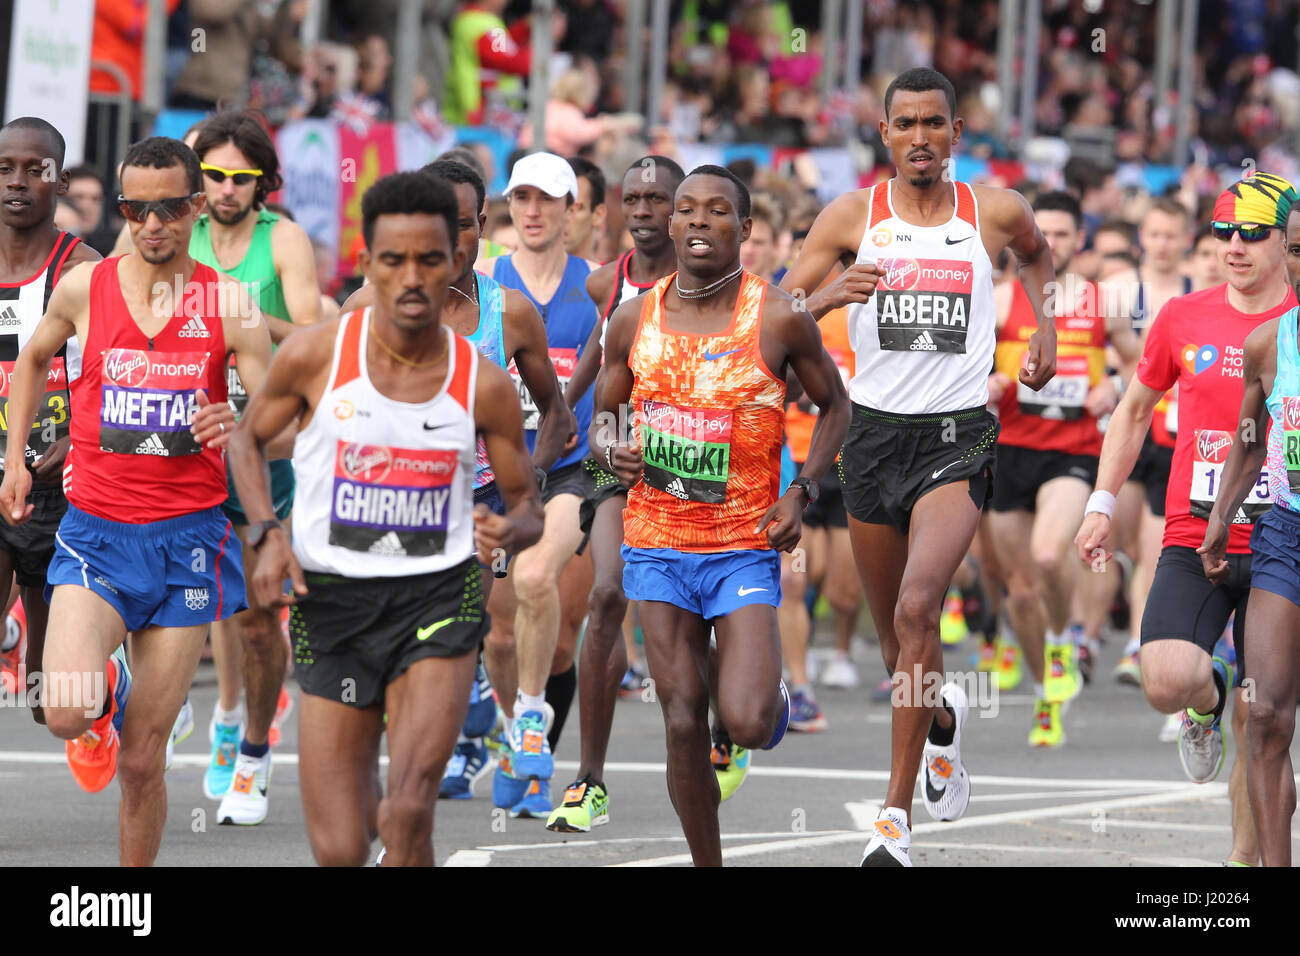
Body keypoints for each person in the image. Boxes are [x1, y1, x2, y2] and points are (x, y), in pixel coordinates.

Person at [780, 67, 1058, 866]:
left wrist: (1041, 325)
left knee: (914, 611)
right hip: (871, 440)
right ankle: (941, 722)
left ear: (956, 134)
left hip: (956, 437)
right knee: (900, 633)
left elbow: (1038, 258)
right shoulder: (850, 216)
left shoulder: (991, 211)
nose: (921, 139)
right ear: (885, 134)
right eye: (905, 124)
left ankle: (892, 819)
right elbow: (774, 314)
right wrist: (831, 298)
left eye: (935, 124)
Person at [228, 170, 544, 866]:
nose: (412, 277)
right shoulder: (317, 356)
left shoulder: (483, 384)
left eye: (430, 260)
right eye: (393, 260)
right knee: (342, 849)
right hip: (332, 601)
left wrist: (513, 530)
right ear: (366, 263)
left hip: (439, 596)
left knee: (405, 811)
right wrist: (266, 533)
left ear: (458, 262)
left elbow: (527, 506)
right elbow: (245, 440)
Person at [0, 136, 266, 866]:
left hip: (188, 540)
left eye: (170, 209)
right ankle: (106, 684)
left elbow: (280, 406)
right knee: (62, 711)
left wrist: (240, 415)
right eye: (136, 209)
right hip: (98, 535)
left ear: (196, 208)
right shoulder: (88, 288)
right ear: (122, 211)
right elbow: (29, 359)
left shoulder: (228, 302)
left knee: (144, 764)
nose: (154, 224)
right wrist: (14, 465)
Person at [594, 164, 850, 866]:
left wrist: (804, 492)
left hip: (741, 544)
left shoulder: (778, 317)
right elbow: (606, 417)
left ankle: (762, 697)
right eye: (687, 211)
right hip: (655, 543)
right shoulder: (630, 319)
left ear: (744, 231)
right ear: (669, 226)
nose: (699, 221)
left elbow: (836, 406)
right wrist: (612, 448)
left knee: (744, 717)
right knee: (681, 720)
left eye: (716, 212)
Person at [1075, 171, 1300, 867]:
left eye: (1252, 234)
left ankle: (1247, 860)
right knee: (1168, 680)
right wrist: (1102, 503)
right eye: (1223, 231)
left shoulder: (1292, 323)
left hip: (1277, 539)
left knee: (1265, 720)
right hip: (1194, 533)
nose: (1234, 246)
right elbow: (1135, 411)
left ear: (1289, 241)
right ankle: (1207, 702)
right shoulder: (1182, 317)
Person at [339, 158, 573, 801]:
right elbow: (324, 410)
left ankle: (512, 720)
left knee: (485, 627)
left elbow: (556, 411)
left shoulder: (510, 313)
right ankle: (470, 732)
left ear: (481, 226)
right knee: (427, 648)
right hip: (400, 503)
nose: (454, 240)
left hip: (483, 500)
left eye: (466, 225)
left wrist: (530, 486)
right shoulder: (365, 308)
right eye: (442, 224)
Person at [187, 109, 324, 825]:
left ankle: (252, 746)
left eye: (241, 178)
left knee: (257, 615)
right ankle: (225, 711)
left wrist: (240, 312)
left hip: (258, 442)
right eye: (213, 174)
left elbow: (310, 332)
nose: (226, 189)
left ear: (263, 183)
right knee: (208, 594)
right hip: (180, 442)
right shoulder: (172, 230)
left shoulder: (284, 240)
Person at [545, 154, 683, 833]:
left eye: (658, 199)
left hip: (696, 460)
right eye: (632, 199)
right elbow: (598, 358)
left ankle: (732, 717)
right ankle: (588, 781)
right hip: (616, 459)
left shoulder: (709, 279)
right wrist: (560, 418)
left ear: (683, 209)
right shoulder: (608, 280)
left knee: (684, 614)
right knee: (604, 594)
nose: (642, 211)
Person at [985, 190, 1142, 746]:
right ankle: (1046, 691)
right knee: (1020, 592)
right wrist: (989, 384)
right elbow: (961, 370)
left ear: (1082, 241)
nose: (1051, 243)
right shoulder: (999, 300)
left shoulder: (1102, 303)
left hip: (1072, 453)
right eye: (1041, 232)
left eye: (1064, 234)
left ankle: (1064, 639)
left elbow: (1143, 364)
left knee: (1049, 555)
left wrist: (1114, 387)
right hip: (1009, 452)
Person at [477, 152, 599, 817]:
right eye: (520, 198)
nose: (532, 211)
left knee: (540, 594)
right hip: (495, 469)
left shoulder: (599, 286)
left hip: (575, 468)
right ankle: (511, 735)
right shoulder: (481, 281)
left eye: (547, 200)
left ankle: (533, 723)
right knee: (499, 635)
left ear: (571, 210)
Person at [1200, 198, 1300, 867]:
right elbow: (1247, 440)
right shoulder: (1270, 343)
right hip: (1286, 534)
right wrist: (1218, 523)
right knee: (1263, 712)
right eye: (1295, 248)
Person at [0, 118, 102, 721]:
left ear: (60, 182)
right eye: (4, 168)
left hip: (56, 486)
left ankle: (102, 677)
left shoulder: (81, 270)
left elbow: (120, 372)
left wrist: (76, 432)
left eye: (34, 170)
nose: (16, 181)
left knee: (49, 703)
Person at [564, 157, 606, 263]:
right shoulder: (523, 276)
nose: (564, 217)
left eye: (575, 208)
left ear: (598, 215)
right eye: (558, 207)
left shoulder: (611, 279)